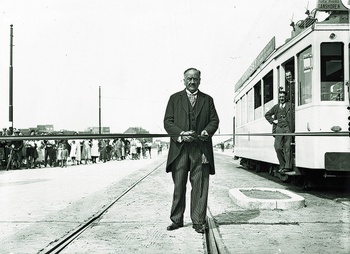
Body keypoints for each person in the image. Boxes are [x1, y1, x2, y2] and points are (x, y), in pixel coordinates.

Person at [163, 67, 219, 234]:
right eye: (189, 78)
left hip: (200, 149)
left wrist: (206, 131)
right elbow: (168, 122)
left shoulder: (207, 100)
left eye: (195, 78)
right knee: (179, 185)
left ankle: (198, 221)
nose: (192, 81)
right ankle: (176, 220)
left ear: (200, 80)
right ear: (184, 80)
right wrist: (180, 134)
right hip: (179, 149)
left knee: (200, 186)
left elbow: (214, 121)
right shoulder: (174, 99)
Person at [265, 90, 295, 174]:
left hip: (288, 128)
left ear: (286, 97)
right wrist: (273, 121)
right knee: (277, 147)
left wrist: (293, 128)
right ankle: (282, 165)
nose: (281, 98)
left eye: (283, 97)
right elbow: (267, 115)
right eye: (280, 97)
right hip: (279, 128)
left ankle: (287, 167)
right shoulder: (276, 107)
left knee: (287, 147)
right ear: (279, 98)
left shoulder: (291, 106)